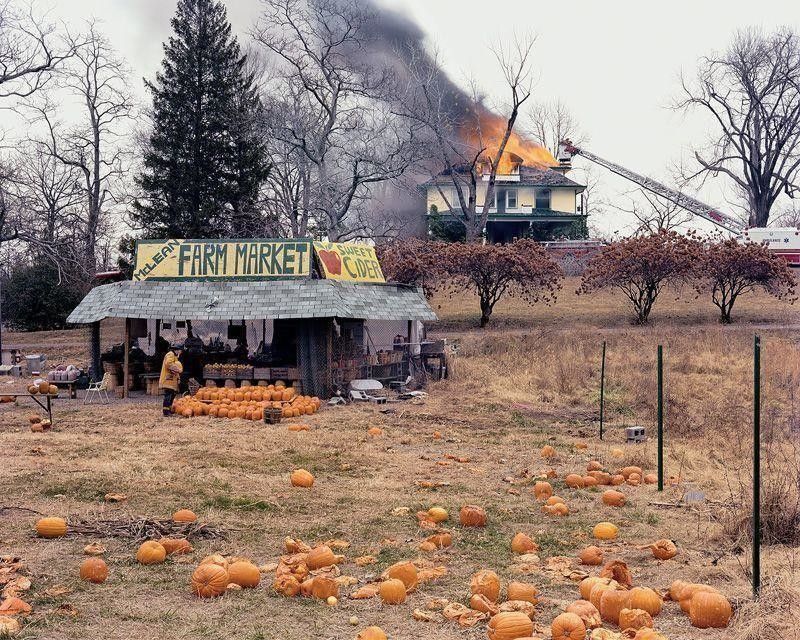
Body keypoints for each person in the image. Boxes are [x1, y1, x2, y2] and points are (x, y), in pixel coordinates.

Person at [159, 342, 184, 417]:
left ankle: (169, 409)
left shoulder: (175, 357)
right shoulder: (170, 354)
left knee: (172, 395)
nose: (181, 352)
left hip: (171, 381)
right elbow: (168, 363)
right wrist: (177, 369)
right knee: (168, 395)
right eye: (180, 350)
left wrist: (178, 378)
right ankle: (166, 412)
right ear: (177, 350)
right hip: (167, 380)